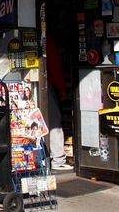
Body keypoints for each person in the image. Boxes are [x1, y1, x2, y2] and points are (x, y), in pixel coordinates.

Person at [46, 37, 73, 171]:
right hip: (46, 86)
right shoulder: (48, 42)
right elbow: (54, 66)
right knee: (54, 122)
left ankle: (51, 158)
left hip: (38, 85)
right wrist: (61, 88)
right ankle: (58, 159)